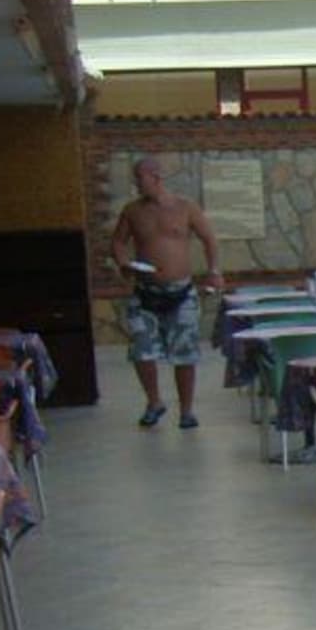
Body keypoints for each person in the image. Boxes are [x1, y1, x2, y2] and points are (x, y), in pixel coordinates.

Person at [109, 157, 222, 428]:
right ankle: (154, 401)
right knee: (142, 350)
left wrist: (214, 270)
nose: (137, 185)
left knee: (184, 353)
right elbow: (118, 241)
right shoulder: (132, 211)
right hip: (145, 292)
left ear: (156, 177)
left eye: (140, 179)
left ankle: (186, 410)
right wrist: (124, 263)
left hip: (180, 292)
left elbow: (209, 238)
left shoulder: (185, 207)